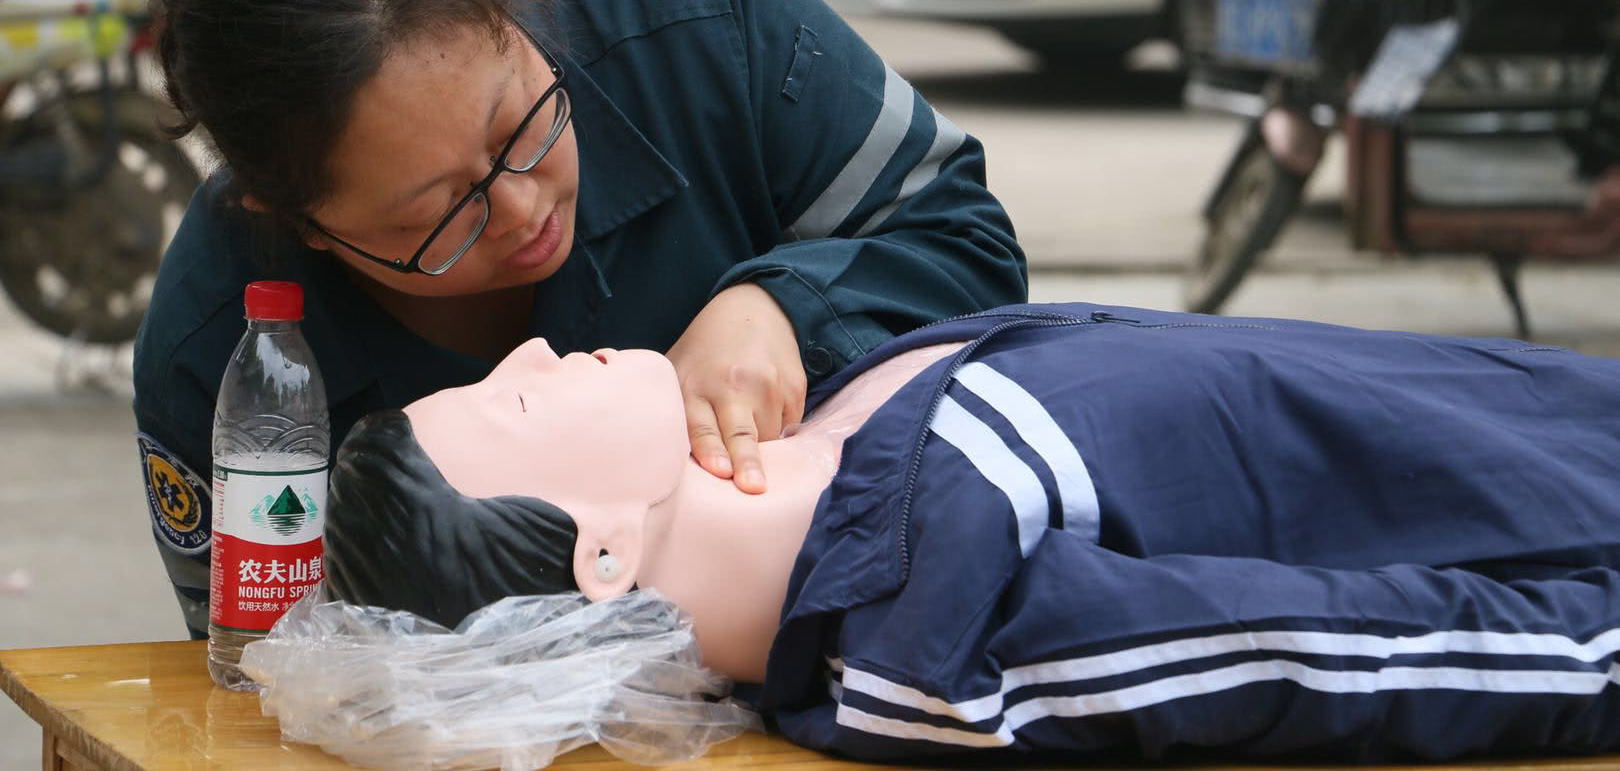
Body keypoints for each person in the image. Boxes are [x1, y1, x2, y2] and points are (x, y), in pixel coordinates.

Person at [131, 0, 1028, 638]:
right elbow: (269, 668)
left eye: (520, 126)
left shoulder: (698, 17)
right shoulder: (215, 362)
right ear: (300, 224)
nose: (524, 211)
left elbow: (967, 241)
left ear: (504, 13)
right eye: (442, 211)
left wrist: (784, 304)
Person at [323, 301, 1620, 764]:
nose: (536, 347)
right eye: (517, 397)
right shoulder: (941, 630)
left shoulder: (824, 417)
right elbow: (1378, 660)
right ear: (600, 552)